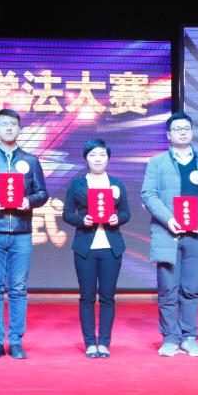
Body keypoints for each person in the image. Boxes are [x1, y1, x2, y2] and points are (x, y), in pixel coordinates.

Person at [141, 112, 198, 357]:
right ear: (168, 135)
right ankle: (170, 338)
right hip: (167, 233)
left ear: (192, 132)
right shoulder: (157, 162)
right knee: (168, 289)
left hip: (196, 233)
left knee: (191, 289)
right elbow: (148, 194)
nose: (182, 132)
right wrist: (169, 219)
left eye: (186, 128)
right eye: (177, 129)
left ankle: (190, 337)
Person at [0, 108, 48, 359]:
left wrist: (28, 201)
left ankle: (15, 341)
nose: (9, 128)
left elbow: (42, 193)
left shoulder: (31, 160)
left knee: (18, 288)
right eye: (4, 124)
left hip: (21, 232)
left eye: (13, 124)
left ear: (19, 128)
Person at [61, 139, 132, 358]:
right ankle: (90, 343)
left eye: (102, 154)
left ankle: (104, 343)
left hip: (111, 247)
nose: (98, 159)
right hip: (86, 248)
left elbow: (126, 213)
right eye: (93, 155)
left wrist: (117, 218)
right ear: (86, 159)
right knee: (87, 297)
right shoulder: (77, 184)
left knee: (108, 297)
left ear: (108, 158)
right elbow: (67, 214)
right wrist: (83, 220)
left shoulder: (117, 184)